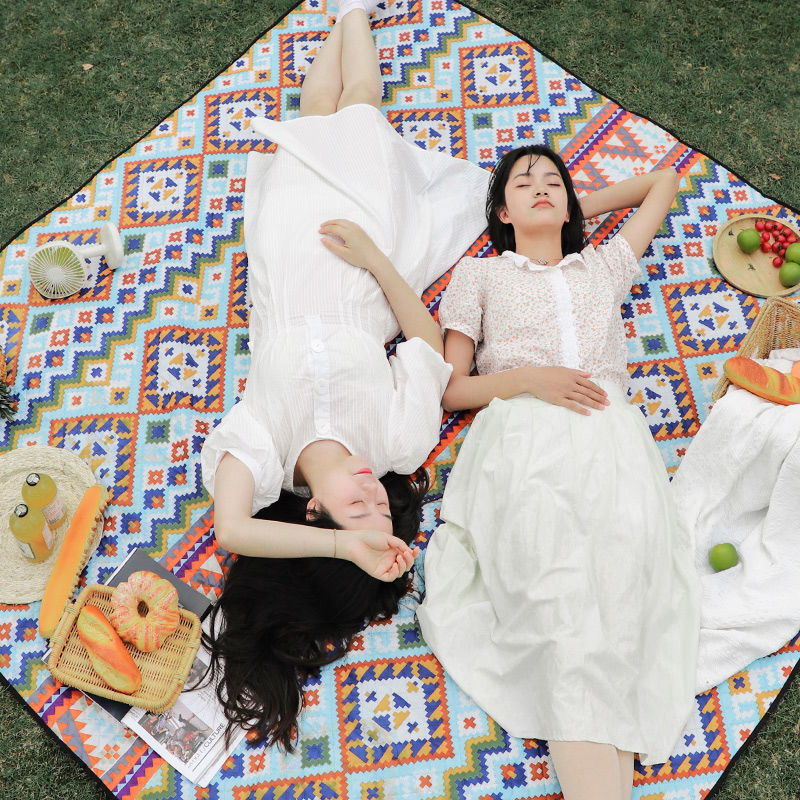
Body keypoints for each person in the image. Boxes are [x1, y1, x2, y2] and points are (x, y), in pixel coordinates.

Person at [197, 0, 489, 750]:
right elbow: (425, 341)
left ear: (316, 518)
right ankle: (354, 11)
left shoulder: (263, 450)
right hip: (364, 263)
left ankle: (342, 15)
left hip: (288, 254)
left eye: (356, 510)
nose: (373, 492)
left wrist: (347, 550)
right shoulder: (397, 443)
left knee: (310, 117)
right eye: (381, 509)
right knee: (358, 108)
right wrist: (376, 259)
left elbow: (231, 531)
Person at [415, 144, 701, 800]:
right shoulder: (479, 276)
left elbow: (662, 180)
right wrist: (531, 379)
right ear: (499, 211)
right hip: (524, 436)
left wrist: (568, 212)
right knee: (563, 607)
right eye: (524, 184)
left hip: (612, 441)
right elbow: (452, 389)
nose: (541, 187)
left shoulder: (603, 265)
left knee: (622, 607)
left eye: (553, 182)